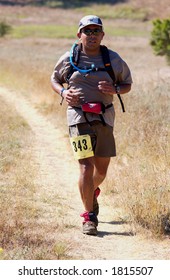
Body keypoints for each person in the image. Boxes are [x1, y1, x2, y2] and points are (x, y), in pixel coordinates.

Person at [51, 15, 132, 236]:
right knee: (85, 167)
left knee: (101, 171)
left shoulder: (112, 60)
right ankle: (89, 217)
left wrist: (114, 89)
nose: (92, 35)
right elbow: (54, 79)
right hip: (77, 118)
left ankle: (92, 190)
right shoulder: (69, 58)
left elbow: (127, 84)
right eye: (88, 31)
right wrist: (64, 92)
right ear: (79, 35)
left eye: (96, 31)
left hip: (105, 118)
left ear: (103, 35)